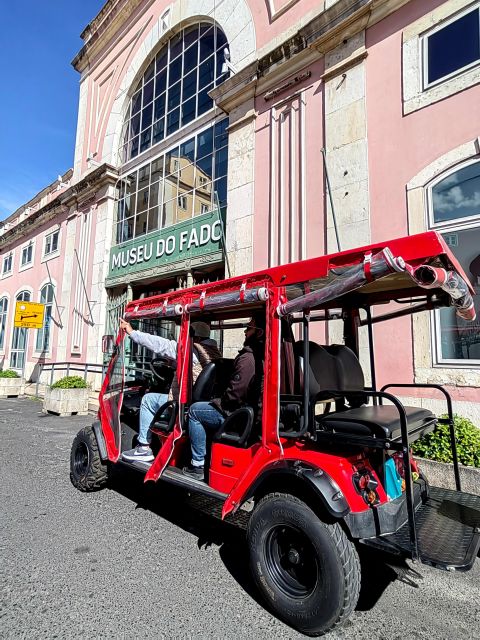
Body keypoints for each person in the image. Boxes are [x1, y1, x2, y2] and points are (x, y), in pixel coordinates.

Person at [120, 318, 221, 462]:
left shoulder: (190, 350)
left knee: (148, 400)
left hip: (182, 405)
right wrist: (174, 364)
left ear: (195, 337)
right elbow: (194, 369)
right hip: (202, 401)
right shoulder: (213, 352)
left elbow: (160, 344)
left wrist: (132, 332)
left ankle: (143, 447)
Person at [183, 314, 265, 481]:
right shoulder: (257, 355)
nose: (244, 331)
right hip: (245, 411)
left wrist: (219, 400)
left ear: (259, 333)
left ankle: (197, 464)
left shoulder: (248, 358)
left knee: (194, 411)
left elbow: (235, 394)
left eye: (249, 328)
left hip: (235, 414)